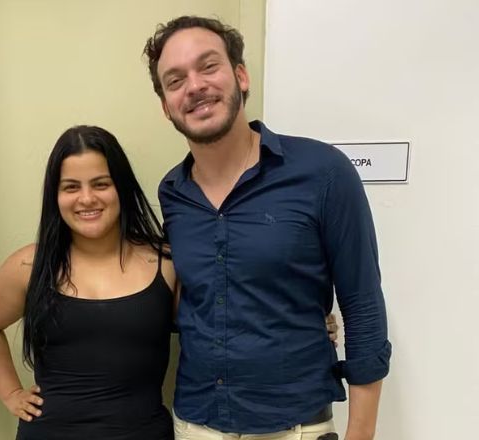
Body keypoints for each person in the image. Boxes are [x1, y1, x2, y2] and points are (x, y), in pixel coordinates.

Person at [143, 16, 391, 440]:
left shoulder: (323, 173)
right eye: (175, 80)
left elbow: (363, 306)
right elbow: (192, 300)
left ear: (241, 76)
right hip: (195, 425)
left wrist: (361, 433)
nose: (195, 86)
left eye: (208, 66)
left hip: (297, 428)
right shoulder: (173, 193)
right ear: (166, 106)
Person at [0, 125, 178, 440]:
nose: (87, 198)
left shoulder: (166, 264)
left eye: (101, 184)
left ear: (121, 187)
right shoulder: (29, 266)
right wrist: (10, 392)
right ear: (55, 195)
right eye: (71, 187)